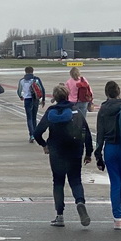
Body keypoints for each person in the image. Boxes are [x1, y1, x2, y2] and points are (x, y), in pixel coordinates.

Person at [35, 84, 93, 227]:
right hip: (75, 150)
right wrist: (89, 153)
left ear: (55, 97)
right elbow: (86, 133)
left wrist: (44, 144)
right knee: (75, 180)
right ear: (68, 95)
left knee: (58, 182)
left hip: (56, 152)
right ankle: (80, 201)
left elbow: (37, 132)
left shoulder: (51, 112)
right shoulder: (75, 111)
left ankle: (60, 215)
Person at [94, 80, 121, 230]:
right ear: (119, 92)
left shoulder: (103, 109)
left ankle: (118, 219)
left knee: (115, 183)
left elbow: (100, 135)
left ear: (107, 94)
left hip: (110, 148)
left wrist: (98, 155)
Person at [17, 66, 47, 142]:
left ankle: (31, 135)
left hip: (27, 100)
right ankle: (35, 133)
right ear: (32, 71)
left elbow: (19, 91)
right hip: (35, 100)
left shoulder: (22, 80)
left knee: (29, 118)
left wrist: (21, 96)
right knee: (34, 117)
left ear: (25, 71)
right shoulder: (36, 79)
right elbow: (42, 89)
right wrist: (43, 99)